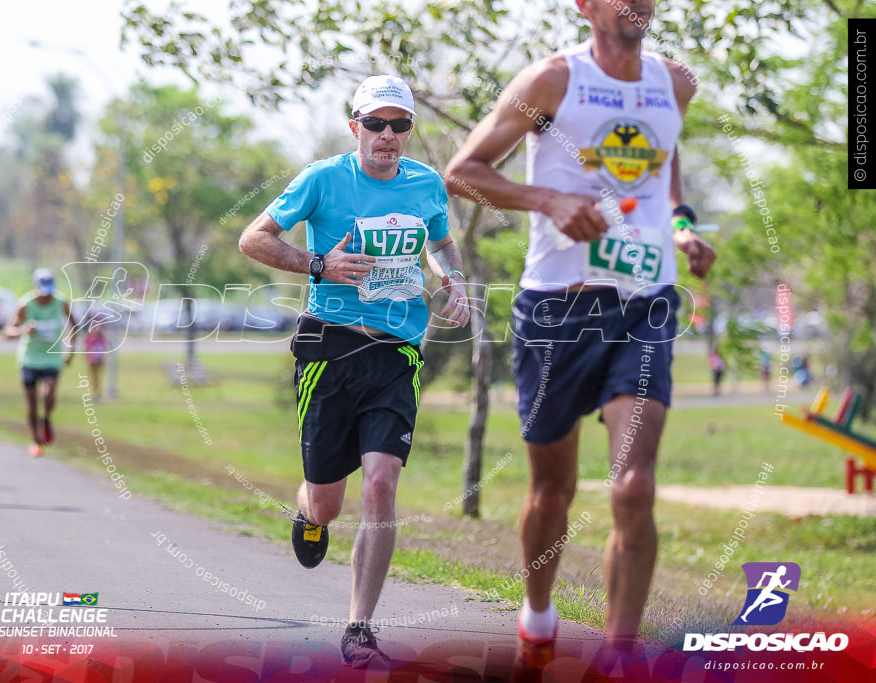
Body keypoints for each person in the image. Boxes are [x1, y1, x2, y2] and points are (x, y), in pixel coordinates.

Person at [445, 0, 716, 669]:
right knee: (551, 492)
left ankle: (620, 654)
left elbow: (663, 155)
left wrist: (680, 225)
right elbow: (464, 170)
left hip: (643, 307)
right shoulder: (550, 81)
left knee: (633, 486)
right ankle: (537, 609)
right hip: (556, 314)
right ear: (585, 6)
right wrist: (549, 200)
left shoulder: (674, 82)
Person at [238, 74, 470, 669]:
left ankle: (359, 627)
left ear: (409, 132)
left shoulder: (426, 185)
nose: (387, 136)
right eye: (375, 123)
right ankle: (308, 510)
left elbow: (442, 242)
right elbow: (253, 239)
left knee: (381, 482)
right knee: (328, 501)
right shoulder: (323, 179)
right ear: (355, 127)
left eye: (399, 125)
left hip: (397, 349)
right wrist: (319, 262)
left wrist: (455, 279)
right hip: (329, 346)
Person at [4, 268, 76, 457]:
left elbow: (74, 326)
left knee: (49, 393)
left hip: (52, 357)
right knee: (32, 403)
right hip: (29, 358)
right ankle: (36, 441)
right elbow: (8, 331)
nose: (47, 295)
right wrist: (23, 330)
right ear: (36, 287)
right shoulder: (25, 304)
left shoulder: (61, 302)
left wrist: (71, 351)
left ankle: (47, 419)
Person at [83, 323, 109, 402]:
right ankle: (96, 393)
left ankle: (97, 393)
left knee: (96, 378)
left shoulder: (100, 339)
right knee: (94, 378)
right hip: (93, 361)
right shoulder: (92, 339)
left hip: (98, 361)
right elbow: (87, 349)